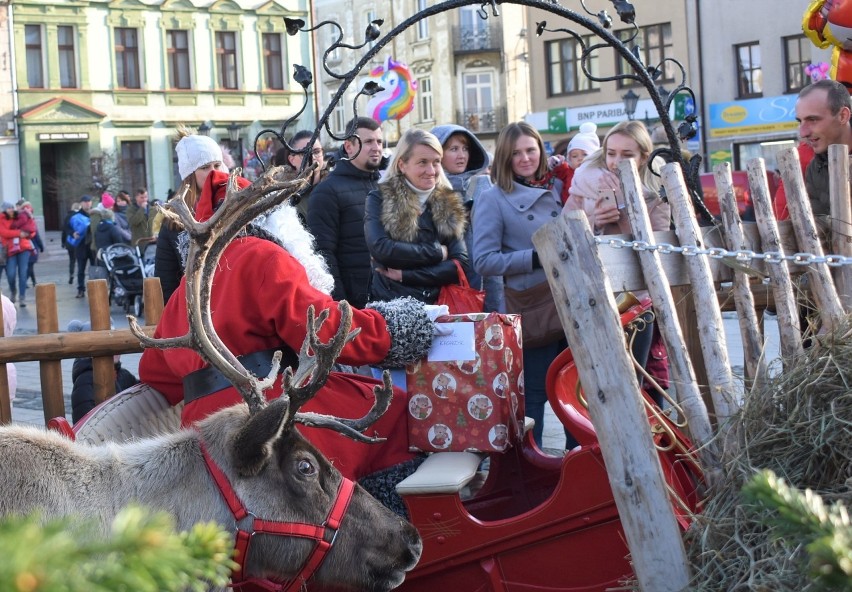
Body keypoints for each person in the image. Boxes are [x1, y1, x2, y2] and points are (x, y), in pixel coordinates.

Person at [139, 169, 443, 483]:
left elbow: (155, 373)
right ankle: (396, 520)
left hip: (203, 431)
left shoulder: (187, 286)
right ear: (273, 217)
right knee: (397, 412)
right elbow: (325, 329)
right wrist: (396, 329)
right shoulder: (264, 256)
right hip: (267, 412)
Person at [472, 122, 570, 450]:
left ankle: (584, 458)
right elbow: (483, 260)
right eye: (516, 153)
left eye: (531, 149)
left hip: (574, 301)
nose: (526, 158)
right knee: (535, 393)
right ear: (505, 157)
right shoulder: (493, 198)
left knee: (579, 387)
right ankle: (533, 461)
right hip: (534, 305)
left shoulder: (560, 185)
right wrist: (535, 257)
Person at [565, 120, 672, 401]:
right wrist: (593, 220)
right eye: (611, 153)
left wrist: (624, 206)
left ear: (643, 157)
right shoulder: (586, 181)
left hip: (636, 301)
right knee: (594, 384)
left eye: (627, 155)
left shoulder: (656, 192)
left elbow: (656, 248)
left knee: (634, 383)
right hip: (591, 294)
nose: (616, 162)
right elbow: (562, 234)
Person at [364, 128, 470, 305]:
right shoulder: (379, 198)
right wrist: (438, 252)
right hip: (392, 306)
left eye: (436, 162)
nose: (431, 170)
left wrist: (405, 275)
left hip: (438, 307)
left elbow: (460, 265)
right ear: (402, 165)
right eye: (422, 162)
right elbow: (382, 250)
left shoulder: (447, 201)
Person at [307, 117, 384, 309]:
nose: (376, 147)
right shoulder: (327, 191)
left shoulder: (386, 188)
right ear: (349, 147)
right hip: (355, 302)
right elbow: (323, 255)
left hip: (388, 295)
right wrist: (342, 307)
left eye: (380, 141)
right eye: (368, 142)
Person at [431, 124, 503, 312]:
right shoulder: (427, 188)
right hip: (445, 282)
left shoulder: (483, 184)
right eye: (453, 149)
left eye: (465, 149)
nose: (461, 155)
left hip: (487, 279)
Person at [155, 130, 228, 304]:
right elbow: (166, 283)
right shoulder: (174, 220)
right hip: (195, 310)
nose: (213, 172)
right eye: (204, 167)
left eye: (217, 165)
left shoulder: (235, 204)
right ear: (190, 175)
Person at [795, 79, 852, 215]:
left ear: (843, 116)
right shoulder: (815, 168)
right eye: (800, 121)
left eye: (813, 119)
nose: (803, 133)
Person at [68, 319, 139, 424]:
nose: (116, 348)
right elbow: (85, 425)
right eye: (109, 344)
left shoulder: (123, 374)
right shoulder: (85, 382)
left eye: (116, 342)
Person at [273, 130, 328, 224]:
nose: (313, 157)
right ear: (292, 159)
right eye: (304, 153)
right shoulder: (282, 196)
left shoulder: (334, 185)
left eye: (317, 151)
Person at [0, 201, 37, 307]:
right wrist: (19, 233)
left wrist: (28, 234)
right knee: (10, 274)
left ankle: (22, 297)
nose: (11, 210)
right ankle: (13, 290)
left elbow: (32, 228)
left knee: (23, 272)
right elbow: (3, 232)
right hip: (10, 249)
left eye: (12, 208)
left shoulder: (20, 216)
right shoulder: (2, 219)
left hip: (24, 248)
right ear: (4, 210)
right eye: (8, 208)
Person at [69, 195, 94, 298]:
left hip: (92, 245)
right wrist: (72, 233)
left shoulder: (95, 214)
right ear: (81, 203)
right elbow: (67, 227)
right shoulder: (76, 216)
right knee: (81, 269)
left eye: (89, 201)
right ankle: (80, 289)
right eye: (85, 202)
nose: (87, 203)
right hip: (81, 245)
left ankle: (94, 288)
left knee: (94, 268)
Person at [15, 200, 43, 288]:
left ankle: (31, 281)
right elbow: (36, 234)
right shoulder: (29, 220)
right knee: (29, 265)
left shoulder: (21, 218)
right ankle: (25, 282)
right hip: (30, 246)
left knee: (29, 265)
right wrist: (41, 246)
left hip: (28, 246)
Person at [61, 202, 81, 285]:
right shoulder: (80, 217)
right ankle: (80, 276)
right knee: (80, 260)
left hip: (69, 241)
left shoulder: (67, 217)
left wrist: (63, 242)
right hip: (79, 241)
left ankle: (71, 275)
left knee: (72, 260)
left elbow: (64, 231)